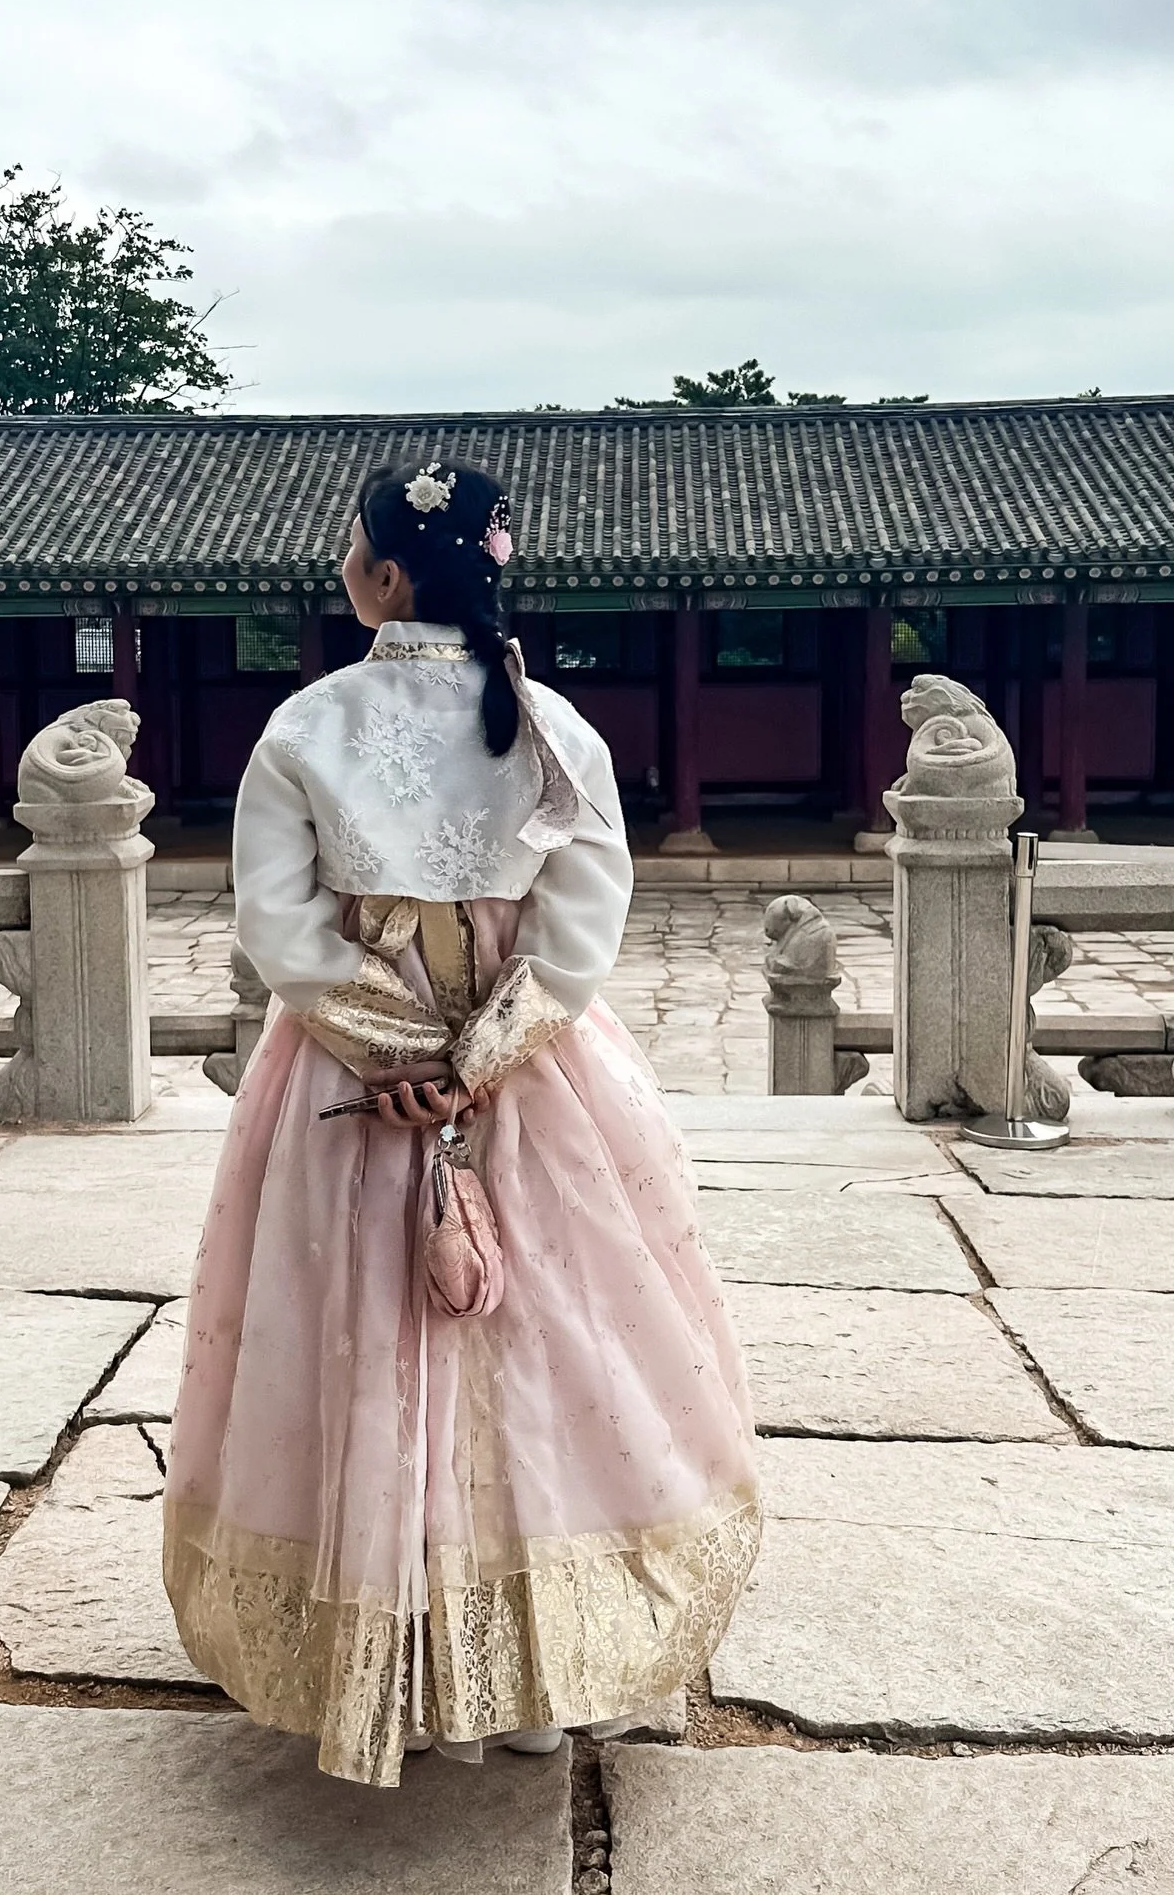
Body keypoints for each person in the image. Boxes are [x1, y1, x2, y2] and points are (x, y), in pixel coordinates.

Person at [162, 456, 761, 1788]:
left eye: (349, 550)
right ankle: (543, 1665)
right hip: (538, 1077)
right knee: (553, 1337)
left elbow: (280, 929)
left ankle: (397, 1658)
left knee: (357, 1333)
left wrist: (400, 1060)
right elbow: (582, 932)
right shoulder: (557, 729)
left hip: (346, 1082)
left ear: (382, 576)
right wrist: (478, 1060)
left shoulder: (306, 725)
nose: (344, 569)